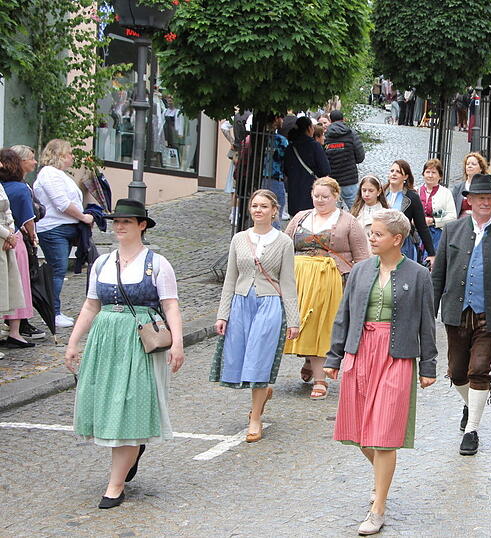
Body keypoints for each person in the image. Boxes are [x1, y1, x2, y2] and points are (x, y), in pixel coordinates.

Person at [324, 209, 438, 536]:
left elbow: (426, 322)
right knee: (360, 431)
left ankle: (378, 508)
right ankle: (382, 478)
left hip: (396, 355)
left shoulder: (419, 274)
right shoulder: (360, 270)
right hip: (360, 352)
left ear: (396, 239)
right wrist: (334, 357)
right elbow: (344, 315)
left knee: (385, 434)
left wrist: (428, 365)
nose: (371, 238)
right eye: (370, 233)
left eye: (377, 234)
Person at [65, 199, 185, 509]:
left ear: (142, 225)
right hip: (105, 341)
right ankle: (132, 449)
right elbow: (91, 305)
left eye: (127, 221)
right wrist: (73, 342)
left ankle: (115, 484)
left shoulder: (157, 264)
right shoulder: (102, 263)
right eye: (117, 221)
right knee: (110, 405)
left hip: (140, 342)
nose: (119, 226)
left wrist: (177, 343)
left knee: (130, 403)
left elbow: (170, 304)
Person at [431, 173, 491, 456]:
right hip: (456, 311)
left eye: (490, 198)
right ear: (469, 201)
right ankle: (471, 402)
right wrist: (428, 314)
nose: (486, 202)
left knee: (479, 369)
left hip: (490, 313)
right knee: (457, 371)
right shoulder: (452, 231)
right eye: (480, 198)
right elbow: (438, 276)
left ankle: (471, 429)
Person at [211, 190, 300, 442]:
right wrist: (222, 315)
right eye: (254, 206)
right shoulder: (239, 239)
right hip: (241, 303)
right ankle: (261, 397)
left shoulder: (284, 242)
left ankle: (255, 418)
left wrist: (293, 320)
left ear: (274, 211)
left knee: (260, 359)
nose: (258, 210)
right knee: (241, 360)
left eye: (264, 206)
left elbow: (288, 282)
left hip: (269, 303)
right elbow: (230, 279)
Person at [285, 177, 370, 400]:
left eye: (325, 196)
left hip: (331, 281)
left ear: (336, 197)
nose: (320, 200)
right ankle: (309, 360)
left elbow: (362, 257)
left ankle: (320, 379)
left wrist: (359, 286)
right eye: (316, 196)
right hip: (300, 280)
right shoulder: (300, 217)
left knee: (320, 326)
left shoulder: (348, 222)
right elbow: (284, 247)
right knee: (301, 324)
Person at [33, 139, 95, 328]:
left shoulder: (59, 174)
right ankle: (53, 312)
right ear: (59, 155)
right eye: (69, 153)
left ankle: (55, 310)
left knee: (59, 270)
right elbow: (61, 203)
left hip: (65, 227)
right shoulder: (49, 174)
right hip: (54, 228)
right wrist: (83, 217)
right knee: (57, 269)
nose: (72, 157)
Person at [0, 149, 36, 348]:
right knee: (17, 285)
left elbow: (8, 214)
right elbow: (27, 218)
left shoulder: (3, 186)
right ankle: (14, 331)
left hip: (8, 237)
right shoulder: (21, 188)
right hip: (12, 240)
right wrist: (27, 236)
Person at [384, 160, 435, 264]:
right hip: (382, 241)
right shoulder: (381, 193)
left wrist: (431, 253)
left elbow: (422, 226)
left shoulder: (412, 197)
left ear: (405, 177)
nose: (394, 174)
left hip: (403, 244)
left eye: (398, 172)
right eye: (392, 171)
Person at [284, 116, 331, 215]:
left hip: (294, 193)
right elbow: (325, 170)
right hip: (311, 192)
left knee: (296, 220)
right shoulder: (314, 146)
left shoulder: (290, 147)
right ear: (309, 128)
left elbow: (286, 170)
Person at [324, 110, 366, 209]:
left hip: (332, 180)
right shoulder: (351, 134)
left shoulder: (325, 136)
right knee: (356, 209)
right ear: (343, 119)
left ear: (330, 120)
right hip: (349, 179)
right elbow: (360, 157)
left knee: (332, 211)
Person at [419, 159, 456, 254]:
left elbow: (452, 217)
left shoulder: (446, 193)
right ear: (423, 174)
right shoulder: (416, 191)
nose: (430, 175)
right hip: (417, 234)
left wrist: (433, 220)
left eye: (434, 172)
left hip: (437, 234)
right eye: (427, 172)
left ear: (440, 176)